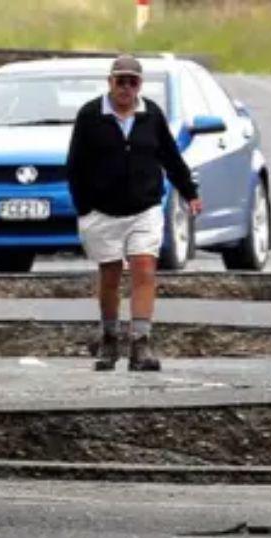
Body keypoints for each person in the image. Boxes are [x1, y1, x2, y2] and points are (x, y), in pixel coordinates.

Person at [66, 54, 202, 372]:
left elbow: (170, 156)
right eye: (120, 81)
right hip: (102, 212)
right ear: (109, 82)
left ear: (140, 85)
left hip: (144, 208)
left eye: (133, 81)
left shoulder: (151, 114)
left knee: (144, 269)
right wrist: (84, 207)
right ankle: (110, 337)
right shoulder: (90, 115)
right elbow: (75, 166)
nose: (126, 88)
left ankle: (140, 344)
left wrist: (190, 192)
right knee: (110, 276)